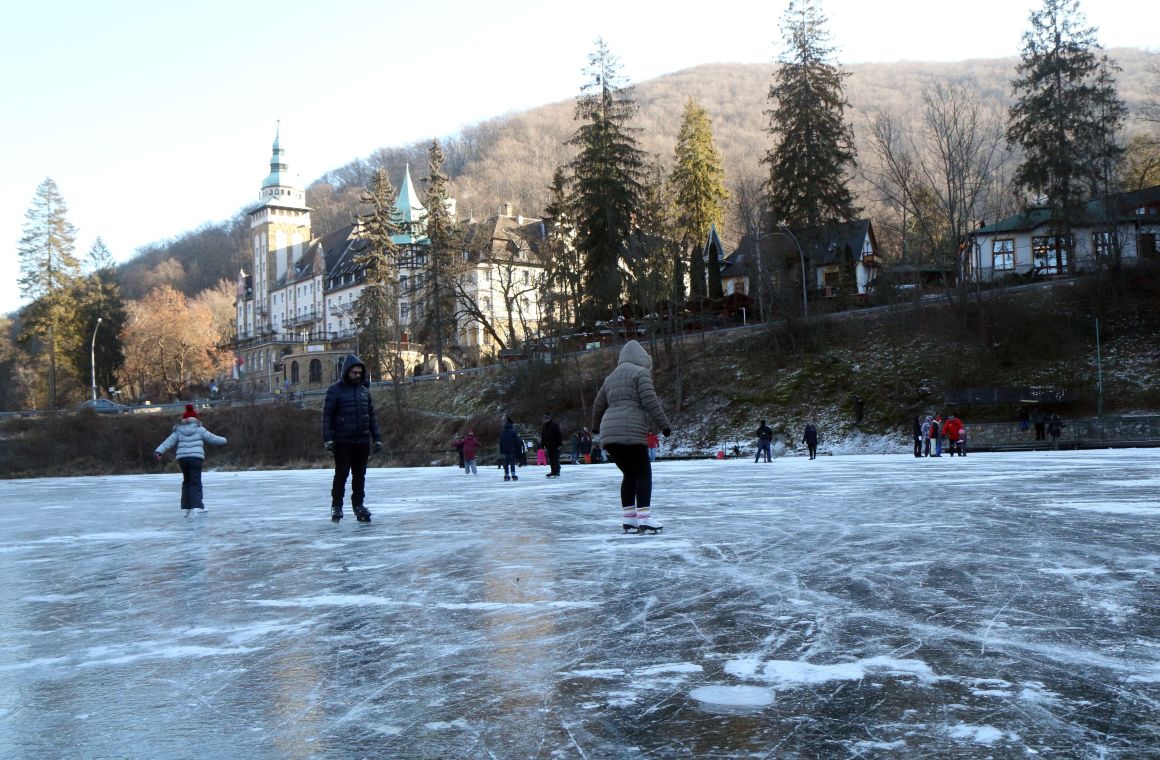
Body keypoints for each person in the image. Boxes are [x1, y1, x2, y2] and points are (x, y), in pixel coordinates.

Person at [592, 340, 672, 533]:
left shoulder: (610, 378)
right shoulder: (640, 373)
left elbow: (597, 405)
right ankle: (644, 518)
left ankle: (629, 519)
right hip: (630, 431)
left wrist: (596, 428)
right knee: (644, 472)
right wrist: (664, 425)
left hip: (609, 434)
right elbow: (650, 401)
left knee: (629, 474)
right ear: (641, 359)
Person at [322, 354, 382, 523]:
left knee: (359, 476)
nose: (357, 375)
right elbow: (327, 416)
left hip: (362, 441)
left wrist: (377, 438)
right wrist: (328, 438)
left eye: (359, 373)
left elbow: (371, 417)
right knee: (341, 474)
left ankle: (358, 505)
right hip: (343, 441)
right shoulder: (335, 390)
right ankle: (337, 505)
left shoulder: (364, 392)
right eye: (354, 372)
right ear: (347, 372)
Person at [154, 404, 227, 512]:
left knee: (187, 481)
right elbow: (212, 438)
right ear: (195, 419)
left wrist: (159, 451)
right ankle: (197, 506)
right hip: (195, 458)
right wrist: (224, 440)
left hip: (183, 459)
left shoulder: (178, 430)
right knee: (195, 481)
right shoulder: (199, 429)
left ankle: (186, 506)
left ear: (184, 419)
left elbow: (168, 442)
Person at [540, 413, 563, 478]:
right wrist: (542, 445)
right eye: (544, 419)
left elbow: (559, 435)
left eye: (546, 419)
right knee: (551, 459)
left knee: (555, 459)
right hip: (548, 446)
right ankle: (553, 471)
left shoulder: (554, 425)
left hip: (555, 445)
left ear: (549, 419)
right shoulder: (544, 426)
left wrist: (559, 444)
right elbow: (543, 437)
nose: (544, 420)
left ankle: (557, 471)